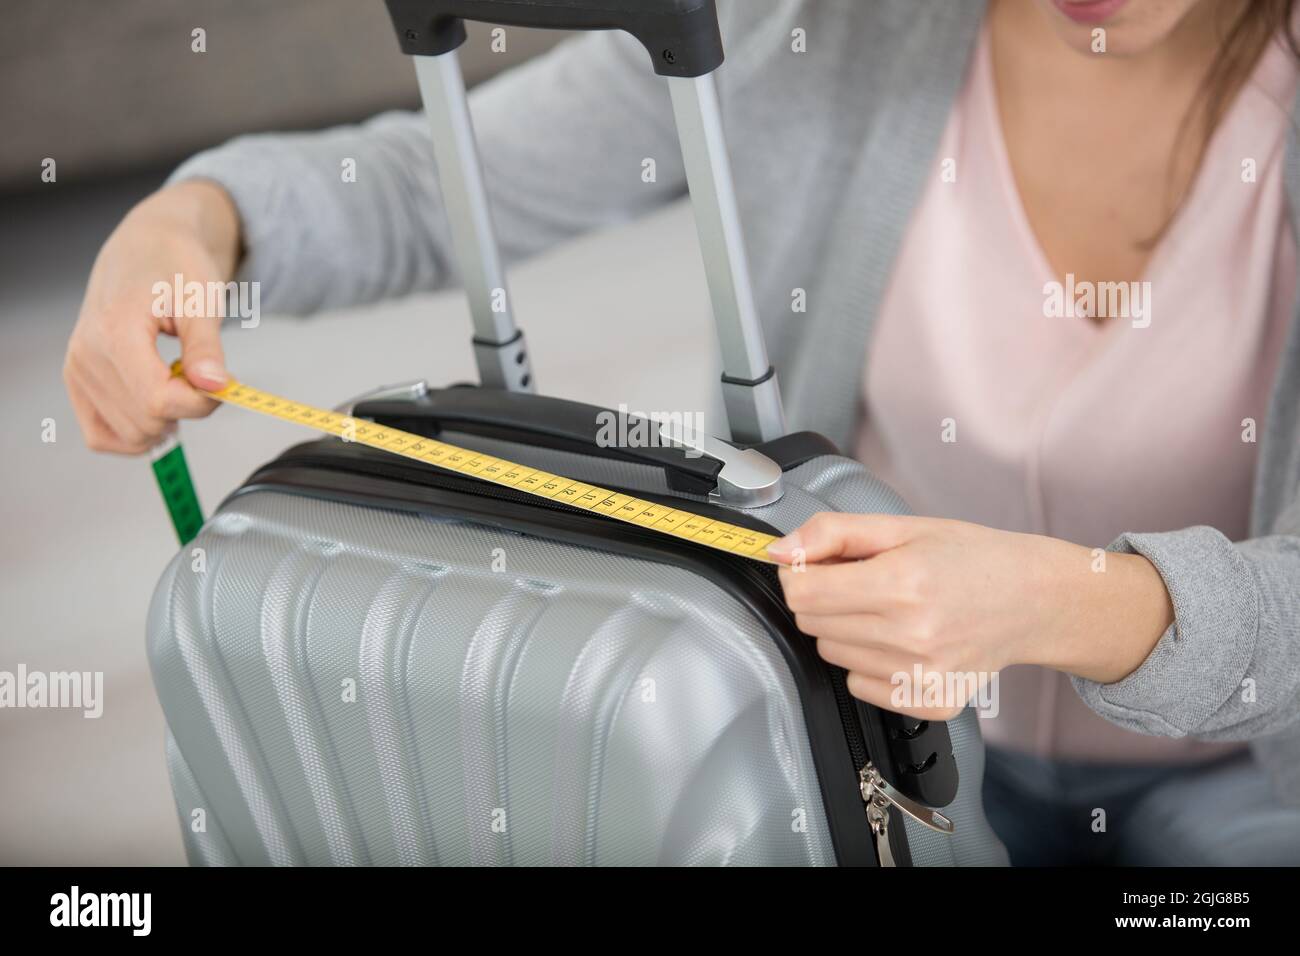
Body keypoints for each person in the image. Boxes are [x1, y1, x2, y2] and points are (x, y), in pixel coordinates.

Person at [63, 0, 1300, 864]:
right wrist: (189, 225)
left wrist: (1057, 604)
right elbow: (422, 182)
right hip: (874, 754)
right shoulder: (813, 25)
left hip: (1251, 778)